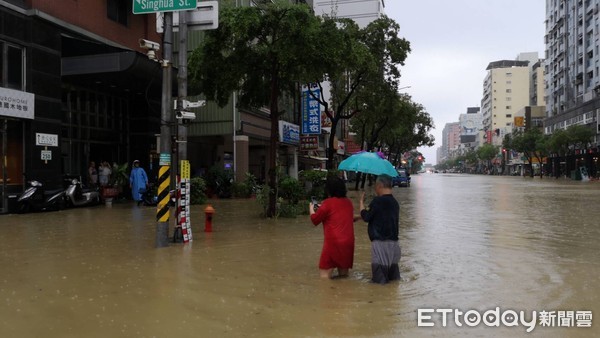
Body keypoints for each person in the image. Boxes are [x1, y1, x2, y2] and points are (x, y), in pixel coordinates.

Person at [309, 176, 356, 279]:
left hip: (333, 243)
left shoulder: (327, 203)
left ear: (329, 190)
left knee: (324, 277)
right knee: (344, 277)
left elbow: (314, 220)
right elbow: (343, 217)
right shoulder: (348, 203)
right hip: (348, 243)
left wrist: (311, 208)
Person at [359, 174, 401, 284]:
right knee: (393, 279)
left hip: (379, 244)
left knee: (379, 282)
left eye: (375, 186)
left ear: (379, 186)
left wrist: (361, 204)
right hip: (394, 245)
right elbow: (383, 216)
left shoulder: (377, 201)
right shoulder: (395, 203)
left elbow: (366, 217)